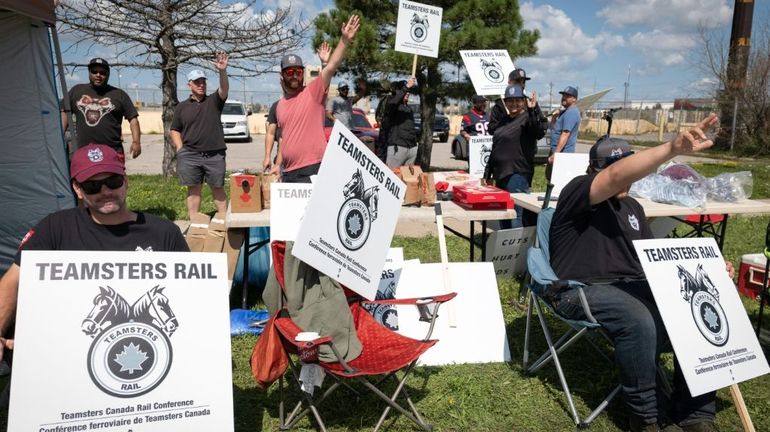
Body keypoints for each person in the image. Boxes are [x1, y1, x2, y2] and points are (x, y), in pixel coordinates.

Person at [548, 114, 731, 432]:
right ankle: (645, 418)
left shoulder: (633, 208)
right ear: (594, 171)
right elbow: (616, 175)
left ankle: (696, 412)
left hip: (634, 285)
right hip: (582, 288)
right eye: (614, 170)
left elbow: (656, 262)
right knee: (638, 318)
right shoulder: (576, 191)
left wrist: (711, 273)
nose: (625, 180)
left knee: (700, 306)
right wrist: (674, 147)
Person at [0, 143, 189, 364]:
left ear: (126, 182)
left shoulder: (164, 233)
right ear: (78, 190)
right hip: (67, 353)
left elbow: (188, 296)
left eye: (113, 181)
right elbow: (14, 280)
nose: (105, 191)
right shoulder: (55, 227)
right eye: (92, 185)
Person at [272, 15, 361, 183]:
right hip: (288, 172)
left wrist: (344, 40)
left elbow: (332, 66)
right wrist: (278, 164)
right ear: (282, 75)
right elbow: (284, 138)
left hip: (312, 169)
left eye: (298, 71)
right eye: (289, 72)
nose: (295, 75)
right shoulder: (279, 106)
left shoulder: (313, 93)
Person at [170, 52, 230, 215]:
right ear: (190, 84)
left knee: (218, 189)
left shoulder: (213, 101)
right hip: (190, 155)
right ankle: (196, 224)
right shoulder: (182, 107)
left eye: (203, 81)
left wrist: (222, 71)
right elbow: (175, 130)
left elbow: (224, 89)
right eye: (197, 82)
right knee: (194, 190)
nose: (201, 85)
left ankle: (224, 224)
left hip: (214, 155)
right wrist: (180, 148)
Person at [485, 84, 544, 228]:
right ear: (505, 103)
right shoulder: (504, 120)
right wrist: (488, 172)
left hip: (517, 175)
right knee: (503, 212)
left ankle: (517, 249)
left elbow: (538, 131)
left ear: (523, 101)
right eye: (510, 100)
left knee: (516, 214)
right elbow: (496, 147)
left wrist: (532, 110)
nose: (514, 104)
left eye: (518, 100)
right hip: (500, 174)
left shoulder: (527, 118)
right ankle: (505, 247)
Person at [62, 58, 141, 160]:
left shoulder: (119, 94)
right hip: (84, 152)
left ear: (108, 74)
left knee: (115, 176)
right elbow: (64, 112)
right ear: (89, 73)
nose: (98, 75)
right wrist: (59, 136)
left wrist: (136, 142)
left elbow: (133, 119)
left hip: (113, 151)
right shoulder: (76, 91)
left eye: (102, 72)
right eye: (94, 71)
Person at [488, 68, 546, 136]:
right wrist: (508, 121)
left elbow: (543, 125)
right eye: (518, 81)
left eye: (523, 82)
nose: (521, 84)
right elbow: (491, 130)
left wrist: (531, 114)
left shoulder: (531, 103)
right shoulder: (500, 105)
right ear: (509, 82)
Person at [385, 77, 418, 168]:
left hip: (411, 148)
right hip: (397, 148)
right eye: (405, 90)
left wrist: (415, 146)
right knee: (392, 176)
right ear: (398, 91)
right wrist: (406, 86)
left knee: (406, 180)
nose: (407, 93)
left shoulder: (408, 108)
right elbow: (394, 102)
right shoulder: (392, 104)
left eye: (409, 91)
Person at [548, 85, 581, 164]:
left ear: (574, 99)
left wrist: (556, 154)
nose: (564, 97)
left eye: (567, 96)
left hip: (562, 154)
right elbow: (554, 129)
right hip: (558, 152)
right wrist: (554, 118)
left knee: (558, 176)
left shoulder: (571, 112)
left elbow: (565, 134)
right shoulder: (565, 112)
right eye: (563, 95)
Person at [262, 100, 282, 172]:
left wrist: (278, 164)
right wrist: (267, 157)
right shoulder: (277, 106)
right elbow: (270, 133)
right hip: (282, 163)